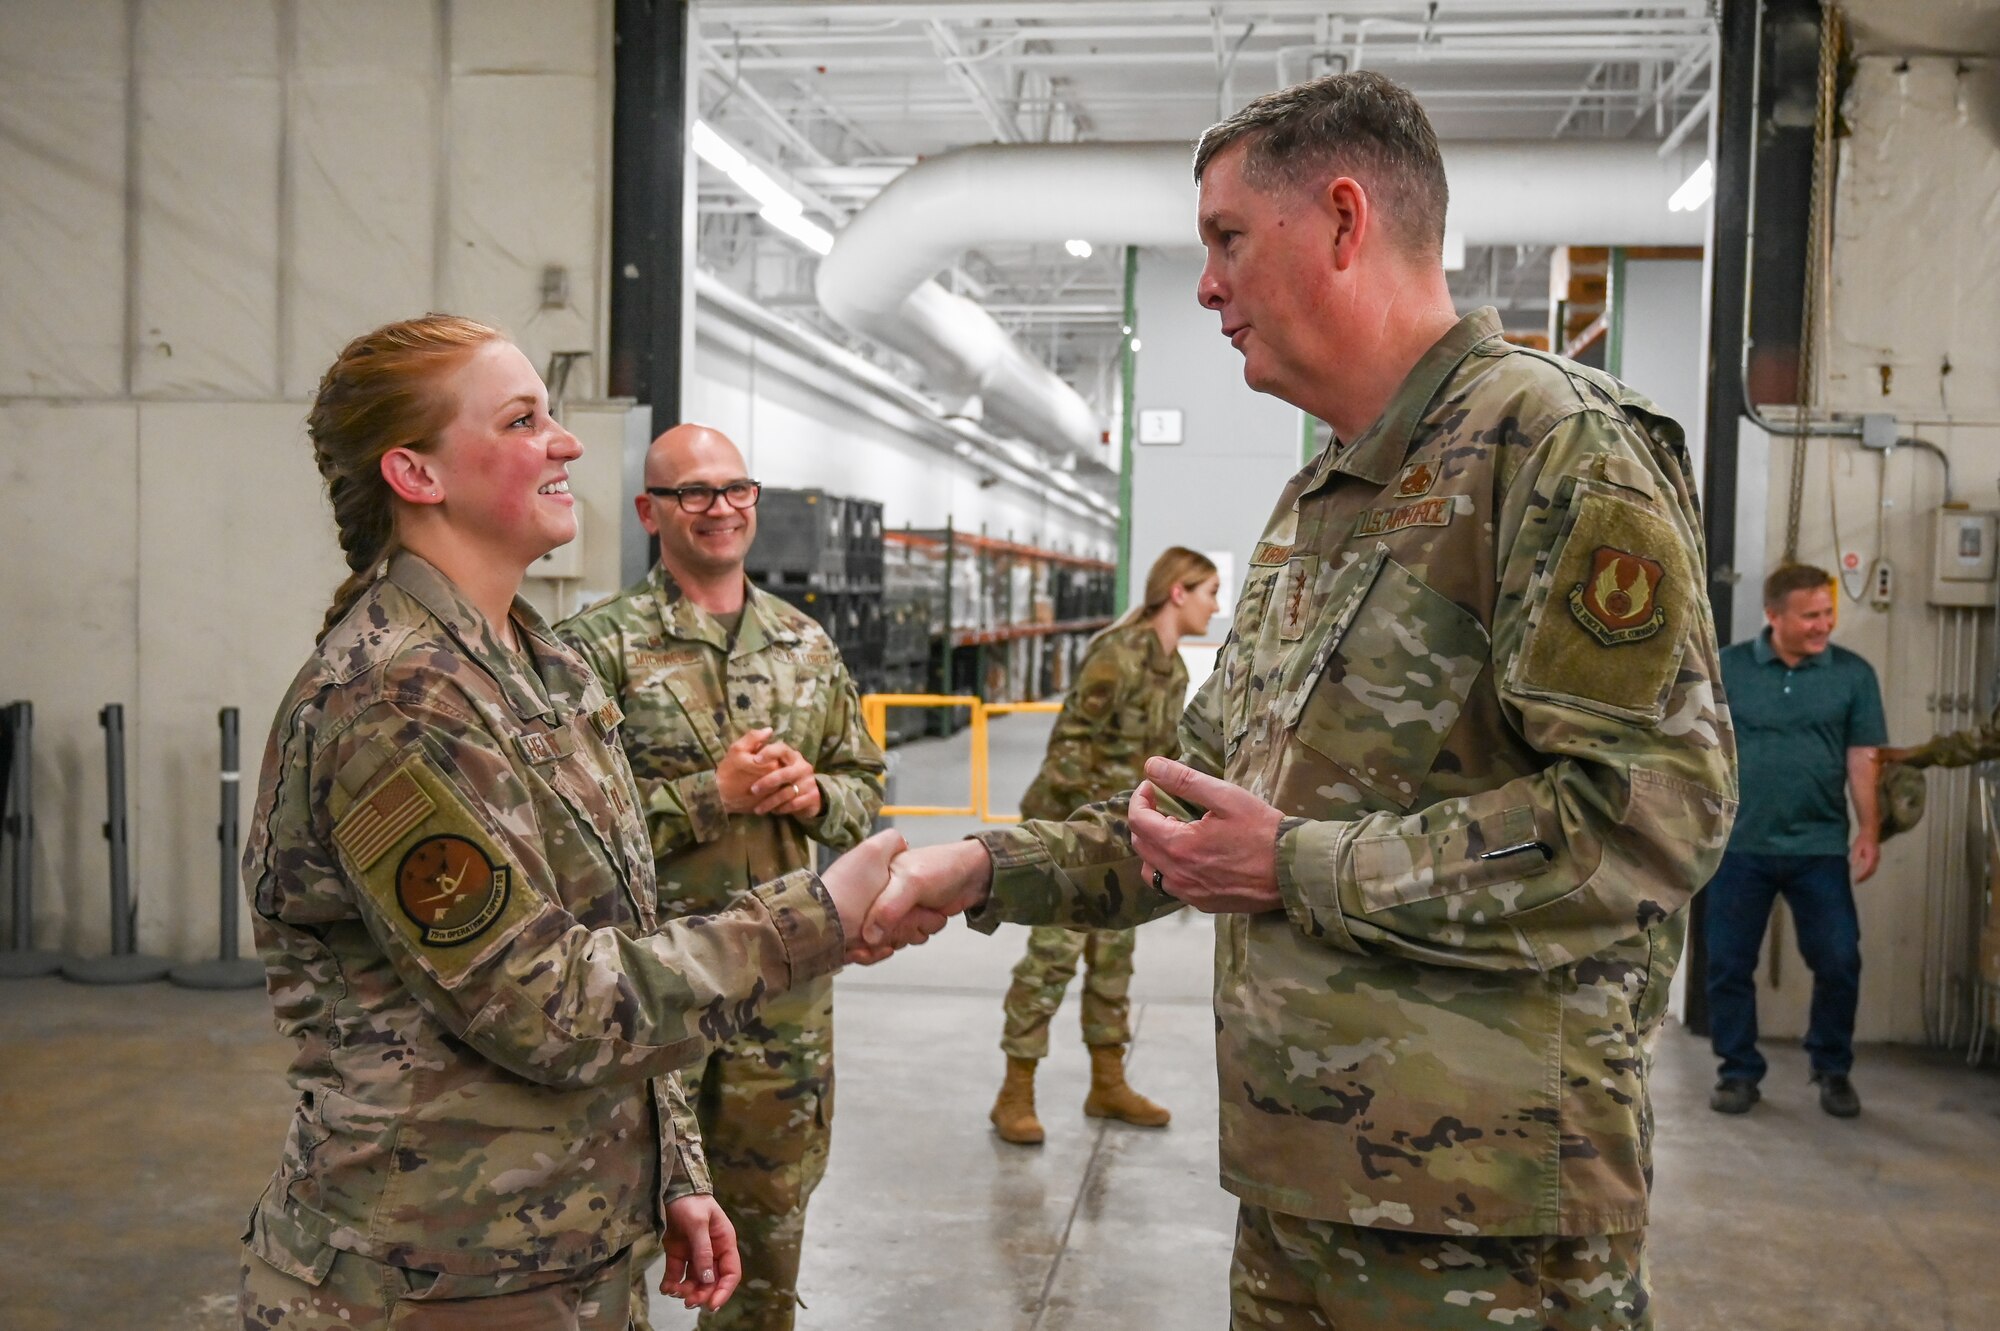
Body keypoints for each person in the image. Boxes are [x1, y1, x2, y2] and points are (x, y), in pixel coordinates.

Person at [866, 71, 1735, 1329]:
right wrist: (980, 868)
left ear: (1340, 219)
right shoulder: (1316, 502)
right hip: (1301, 1190)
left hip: (1484, 1222)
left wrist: (1300, 866)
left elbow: (1652, 816)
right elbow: (1198, 829)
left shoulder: (1553, 447)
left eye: (1225, 239)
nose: (1207, 285)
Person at [238, 315, 906, 1331]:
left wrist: (670, 1164)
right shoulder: (396, 700)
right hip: (434, 1272)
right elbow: (547, 1001)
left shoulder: (538, 669)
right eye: (521, 419)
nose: (567, 441)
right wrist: (809, 918)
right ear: (417, 473)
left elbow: (615, 935)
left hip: (555, 1245)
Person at [558, 423, 886, 1330]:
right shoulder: (595, 650)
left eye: (735, 489)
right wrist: (714, 793)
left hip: (781, 999)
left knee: (769, 1232)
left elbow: (864, 793)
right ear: (649, 511)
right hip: (647, 997)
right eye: (693, 492)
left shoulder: (805, 645)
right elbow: (567, 834)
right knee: (608, 1236)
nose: (719, 509)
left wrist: (815, 794)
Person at [990, 547, 1219, 1145]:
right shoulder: (1118, 654)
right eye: (1209, 592)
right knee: (1052, 959)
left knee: (1114, 960)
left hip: (1126, 837)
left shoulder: (1170, 666)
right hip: (1074, 832)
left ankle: (1107, 1082)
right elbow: (1069, 744)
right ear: (1178, 592)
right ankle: (1014, 1090)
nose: (1215, 606)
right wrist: (1064, 849)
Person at [1707, 564, 1886, 1119]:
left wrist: (1870, 831)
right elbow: (1698, 748)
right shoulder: (1729, 669)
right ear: (1773, 615)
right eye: (1810, 615)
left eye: (1828, 613)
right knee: (1728, 964)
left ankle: (1831, 1068)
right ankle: (1737, 1072)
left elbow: (1863, 759)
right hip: (1739, 844)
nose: (1823, 625)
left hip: (1819, 847)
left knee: (1838, 959)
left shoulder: (1853, 675)